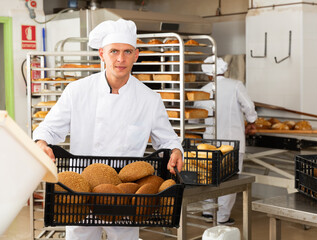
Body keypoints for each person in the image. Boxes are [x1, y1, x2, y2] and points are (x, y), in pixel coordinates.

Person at [33, 19, 183, 240]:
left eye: (127, 52)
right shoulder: (77, 91)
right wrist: (41, 143)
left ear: (136, 55)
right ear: (102, 54)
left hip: (125, 192)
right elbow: (49, 128)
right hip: (81, 189)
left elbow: (167, 139)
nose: (120, 59)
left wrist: (176, 150)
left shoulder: (149, 99)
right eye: (114, 51)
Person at [196, 56, 257, 225]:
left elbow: (194, 121)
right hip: (232, 141)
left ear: (208, 74)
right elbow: (249, 107)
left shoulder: (202, 90)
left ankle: (208, 212)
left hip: (208, 143)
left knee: (209, 176)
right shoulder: (235, 85)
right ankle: (222, 217)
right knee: (229, 179)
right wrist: (252, 121)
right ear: (224, 69)